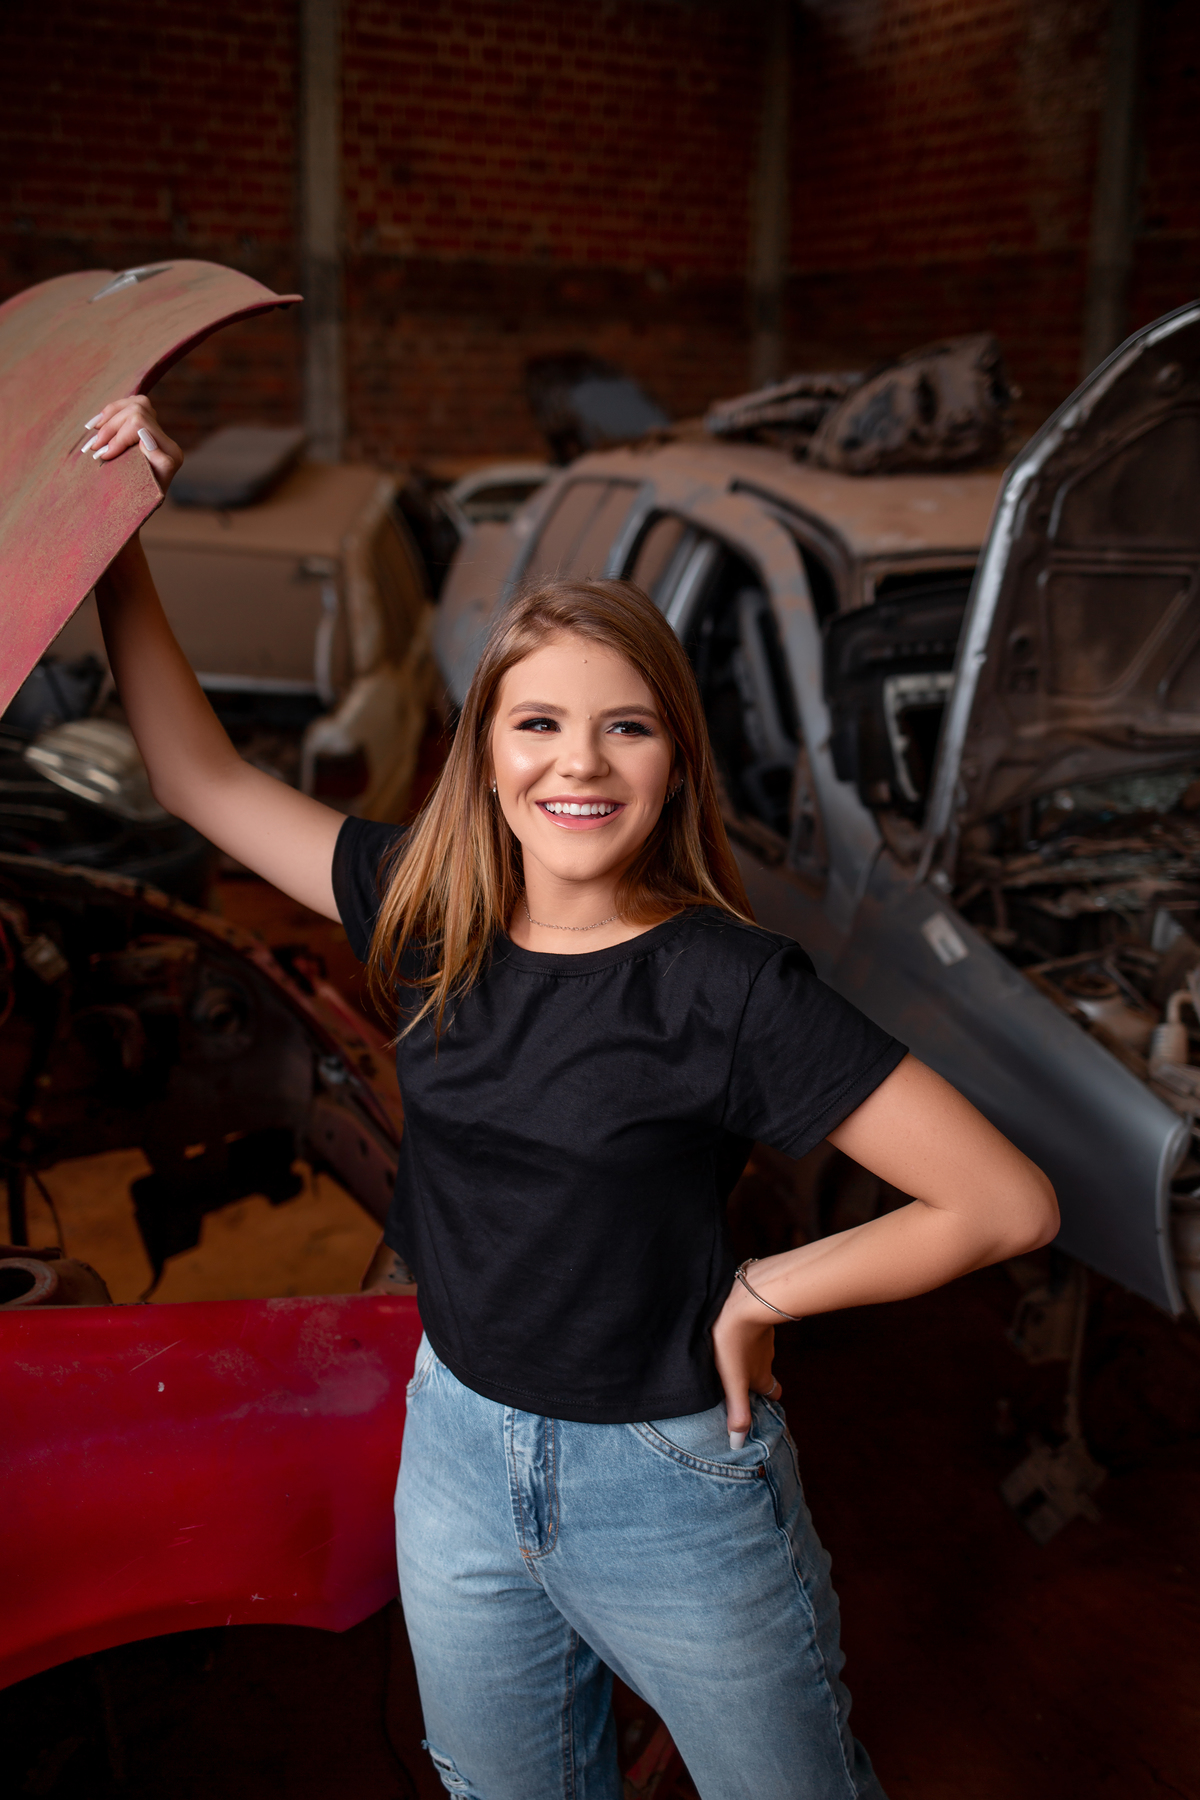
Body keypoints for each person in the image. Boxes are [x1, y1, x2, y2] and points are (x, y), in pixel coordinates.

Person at [84, 396, 1058, 1800]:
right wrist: (119, 536)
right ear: (486, 746)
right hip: (459, 1451)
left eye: (628, 730)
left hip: (670, 1483)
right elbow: (193, 773)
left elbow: (1006, 1200)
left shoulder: (727, 986)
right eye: (538, 722)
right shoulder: (419, 909)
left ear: (675, 763)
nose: (579, 764)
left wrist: (763, 1293)